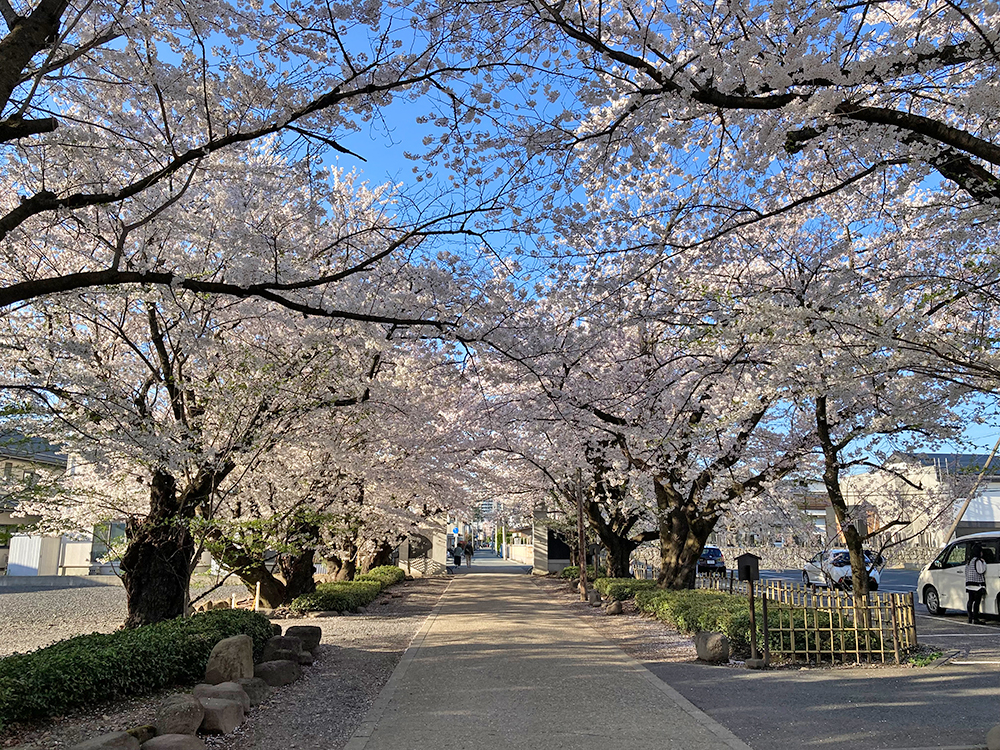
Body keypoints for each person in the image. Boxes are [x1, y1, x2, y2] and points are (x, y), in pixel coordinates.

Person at [965, 542, 987, 624]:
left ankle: (970, 617)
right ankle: (976, 618)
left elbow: (966, 572)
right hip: (977, 584)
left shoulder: (969, 561)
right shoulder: (978, 561)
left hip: (969, 584)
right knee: (977, 602)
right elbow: (981, 570)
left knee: (970, 600)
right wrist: (984, 563)